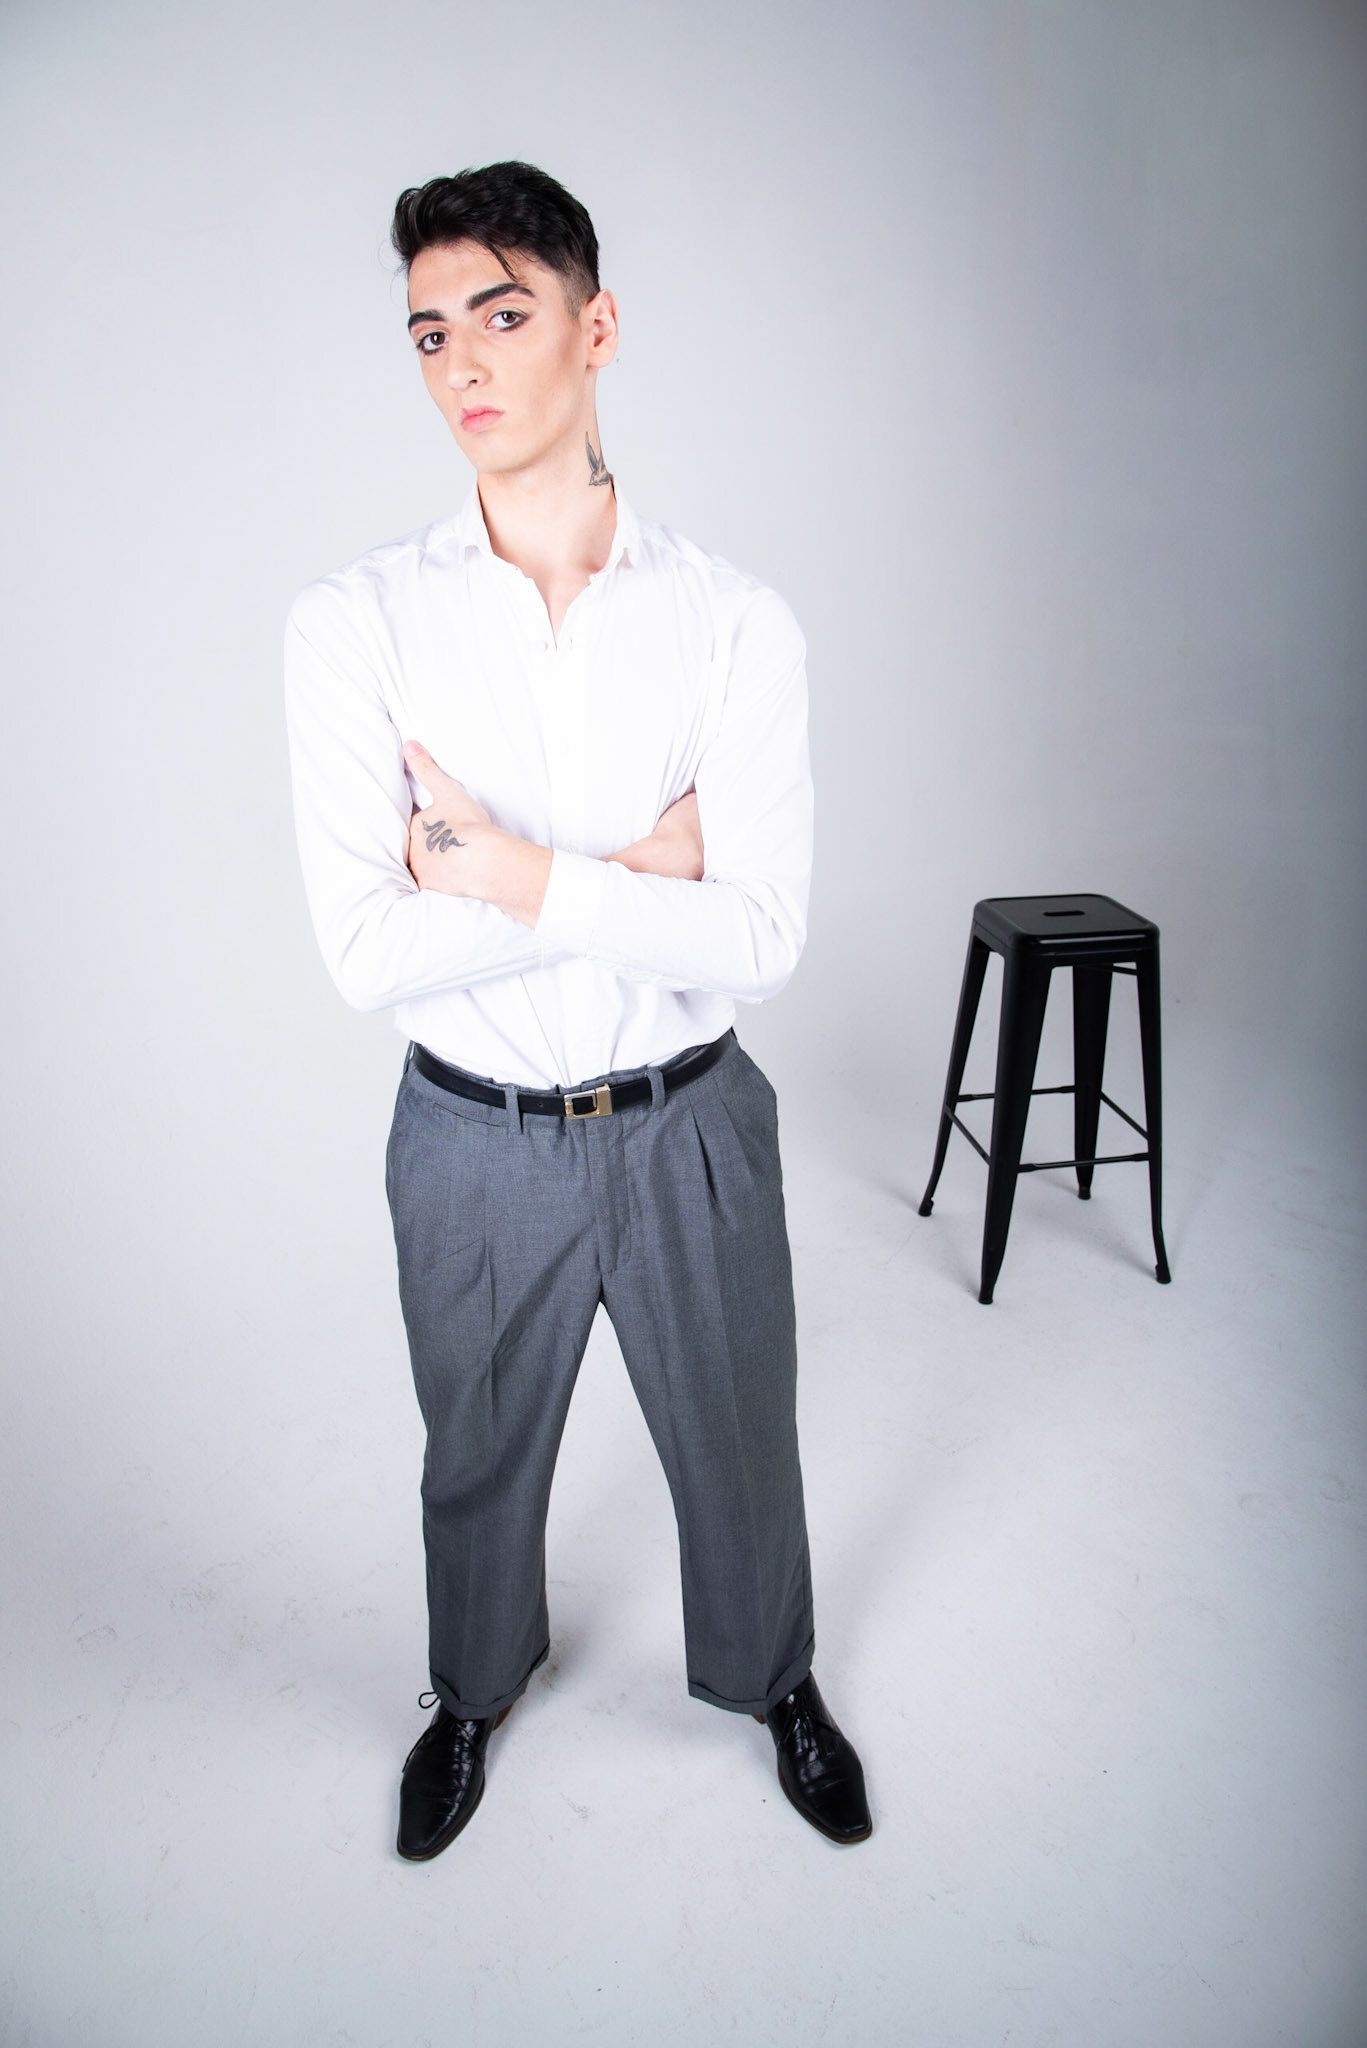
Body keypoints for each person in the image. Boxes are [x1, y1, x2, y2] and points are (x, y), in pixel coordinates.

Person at [283, 160, 871, 1857]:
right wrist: (635, 869)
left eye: (503, 313)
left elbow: (756, 941)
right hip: (473, 1141)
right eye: (429, 333)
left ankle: (774, 1681)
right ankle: (470, 1695)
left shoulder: (734, 624)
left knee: (740, 1439)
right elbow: (367, 954)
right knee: (473, 1452)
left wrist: (501, 872)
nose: (462, 361)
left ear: (595, 326)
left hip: (690, 1124)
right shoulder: (355, 626)